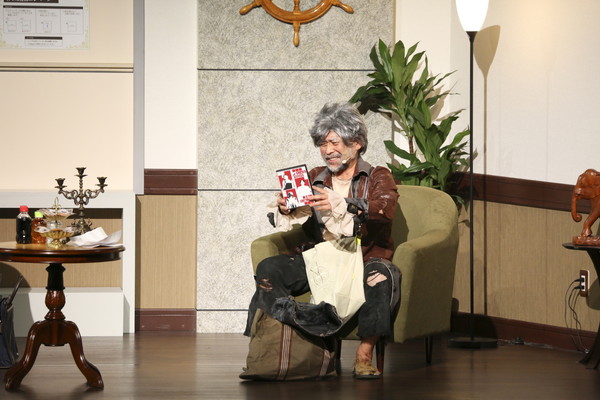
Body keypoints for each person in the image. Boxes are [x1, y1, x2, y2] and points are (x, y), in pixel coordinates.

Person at [244, 102, 401, 379]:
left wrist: (344, 203)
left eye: (334, 142)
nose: (328, 150)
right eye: (323, 144)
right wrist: (285, 207)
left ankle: (364, 353)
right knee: (270, 268)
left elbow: (383, 210)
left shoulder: (378, 176)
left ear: (356, 143)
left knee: (382, 276)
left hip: (362, 258)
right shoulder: (316, 176)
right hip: (321, 256)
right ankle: (279, 345)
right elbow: (295, 212)